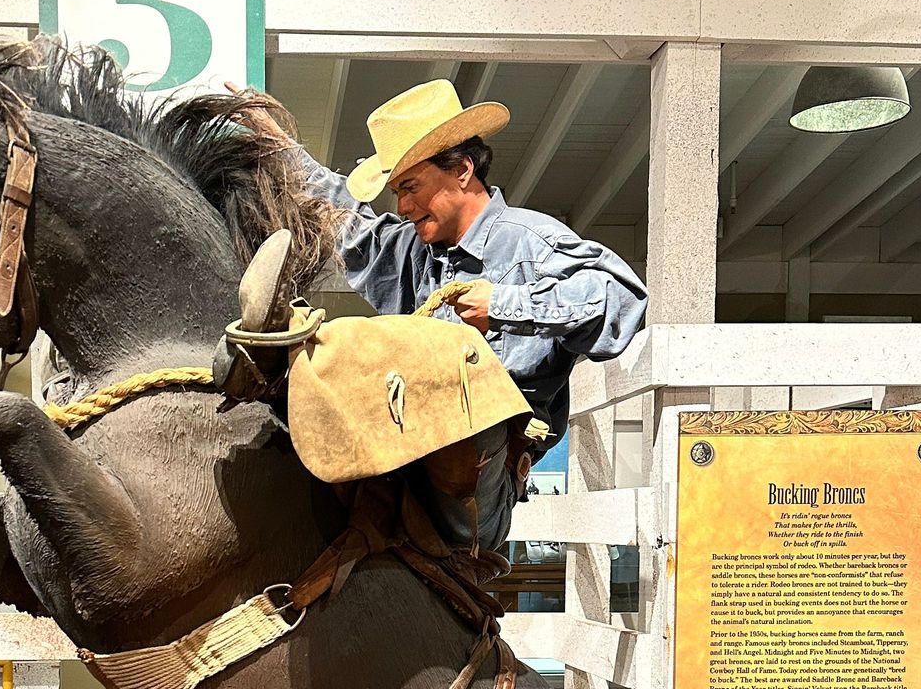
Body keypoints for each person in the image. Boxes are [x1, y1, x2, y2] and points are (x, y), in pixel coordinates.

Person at [236, 77, 646, 547]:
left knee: (462, 422)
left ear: (463, 170)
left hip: (480, 478)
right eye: (396, 191)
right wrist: (281, 150)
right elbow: (348, 217)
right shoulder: (412, 250)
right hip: (410, 448)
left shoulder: (532, 243)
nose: (402, 206)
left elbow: (622, 300)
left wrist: (504, 304)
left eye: (410, 187)